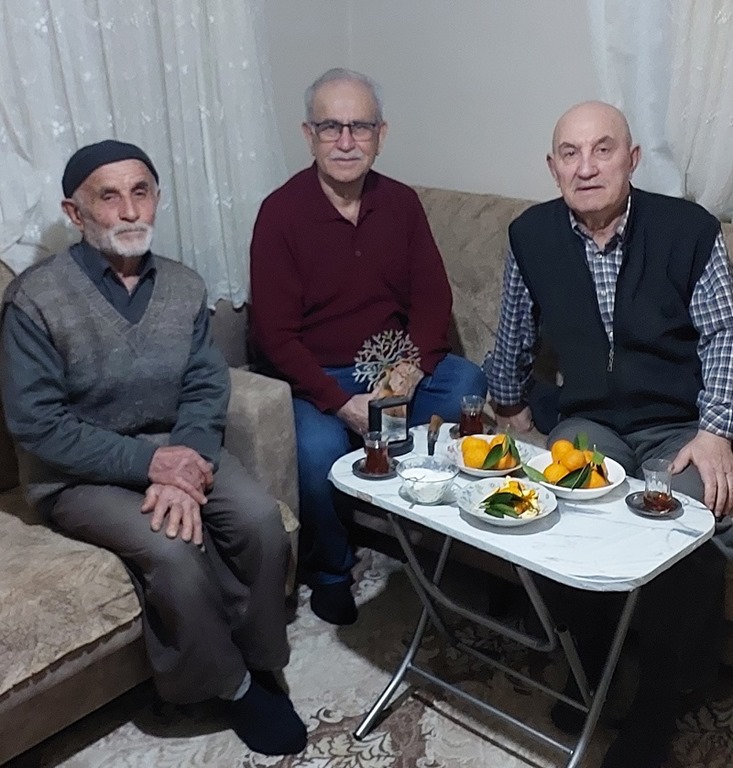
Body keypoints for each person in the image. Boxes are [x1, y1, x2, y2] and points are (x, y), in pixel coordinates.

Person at [0, 140, 307, 757]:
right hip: (77, 472)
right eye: (108, 196)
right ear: (75, 212)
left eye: (140, 192)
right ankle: (230, 686)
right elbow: (37, 425)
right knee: (172, 551)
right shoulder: (35, 299)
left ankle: (260, 657)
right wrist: (151, 465)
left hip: (180, 448)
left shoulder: (183, 285)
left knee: (259, 521)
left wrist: (182, 461)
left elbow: (205, 386)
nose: (128, 209)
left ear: (157, 199)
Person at [484, 101, 733, 768]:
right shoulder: (531, 235)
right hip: (590, 419)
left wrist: (716, 431)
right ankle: (589, 663)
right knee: (556, 496)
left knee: (685, 519)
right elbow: (512, 332)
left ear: (632, 159)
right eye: (570, 153)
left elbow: (723, 337)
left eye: (602, 150)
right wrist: (508, 408)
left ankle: (657, 701)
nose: (586, 167)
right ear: (552, 166)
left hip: (679, 426)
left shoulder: (689, 230)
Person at [250, 68, 487, 626]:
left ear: (381, 135)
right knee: (316, 453)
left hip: (395, 364)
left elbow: (433, 299)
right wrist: (340, 403)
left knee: (468, 387)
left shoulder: (401, 203)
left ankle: (450, 533)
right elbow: (274, 336)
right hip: (318, 377)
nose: (346, 141)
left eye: (360, 127)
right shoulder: (279, 214)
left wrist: (406, 373)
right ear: (308, 135)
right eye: (331, 127)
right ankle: (331, 570)